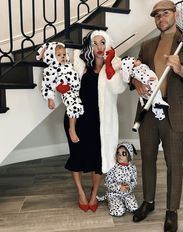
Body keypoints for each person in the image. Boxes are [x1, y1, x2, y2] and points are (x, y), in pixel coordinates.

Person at [130, 1, 183, 231]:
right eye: (157, 15)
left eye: (165, 13)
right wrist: (135, 81)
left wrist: (181, 69)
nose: (161, 18)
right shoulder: (147, 45)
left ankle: (172, 211)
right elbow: (135, 72)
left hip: (174, 113)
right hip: (147, 113)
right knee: (146, 159)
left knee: (174, 163)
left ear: (175, 14)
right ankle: (148, 202)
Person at [63, 30, 127, 212]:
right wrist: (71, 127)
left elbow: (118, 89)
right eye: (96, 43)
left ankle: (94, 194)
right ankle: (81, 193)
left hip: (100, 124)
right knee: (76, 158)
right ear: (91, 46)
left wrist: (109, 65)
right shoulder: (82, 67)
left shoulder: (113, 67)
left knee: (97, 160)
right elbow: (71, 95)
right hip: (77, 120)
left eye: (103, 42)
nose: (100, 47)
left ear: (108, 45)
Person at [37, 42, 84, 143]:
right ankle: (72, 129)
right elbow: (47, 85)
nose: (62, 56)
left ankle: (75, 127)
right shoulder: (51, 70)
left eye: (63, 54)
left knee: (79, 107)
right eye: (58, 55)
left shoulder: (68, 65)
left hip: (76, 89)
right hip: (67, 91)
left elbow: (75, 73)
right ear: (51, 56)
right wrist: (50, 99)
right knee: (74, 105)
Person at [104, 141, 138, 216]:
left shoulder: (132, 168)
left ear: (129, 155)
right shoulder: (113, 167)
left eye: (124, 154)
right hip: (114, 194)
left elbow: (134, 181)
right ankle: (112, 201)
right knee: (119, 211)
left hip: (127, 193)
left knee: (134, 208)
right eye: (118, 153)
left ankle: (124, 202)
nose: (120, 156)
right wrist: (119, 187)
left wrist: (129, 186)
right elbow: (108, 182)